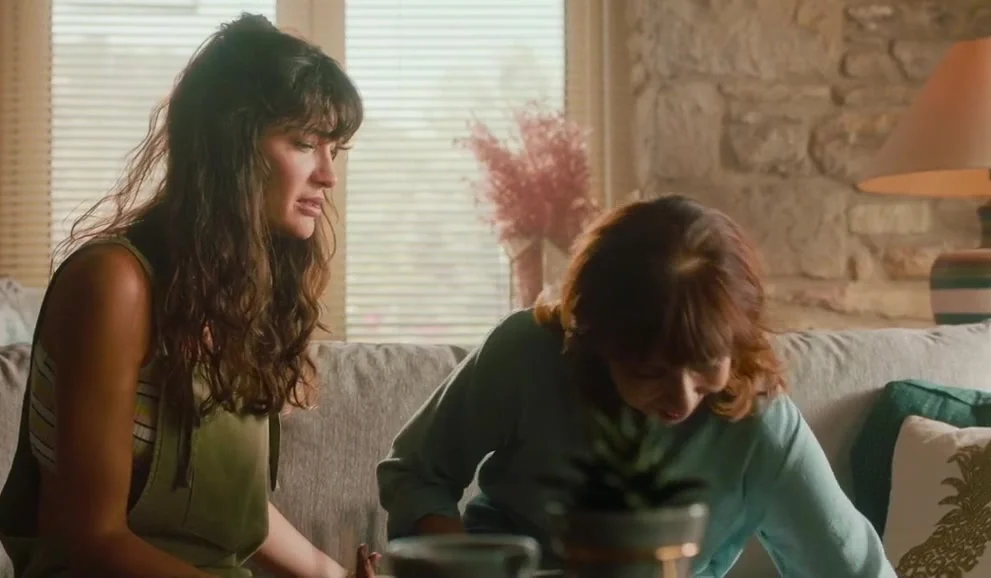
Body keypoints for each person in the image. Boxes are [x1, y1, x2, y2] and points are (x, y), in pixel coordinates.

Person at [0, 14, 379, 578]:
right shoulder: (113, 284)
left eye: (334, 150)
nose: (328, 175)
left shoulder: (237, 300)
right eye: (303, 143)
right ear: (231, 148)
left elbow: (223, 514)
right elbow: (91, 539)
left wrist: (334, 575)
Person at [376, 195, 896, 577]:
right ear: (596, 339)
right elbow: (416, 473)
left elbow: (852, 569)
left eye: (706, 364)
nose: (682, 397)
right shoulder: (525, 354)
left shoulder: (761, 424)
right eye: (651, 371)